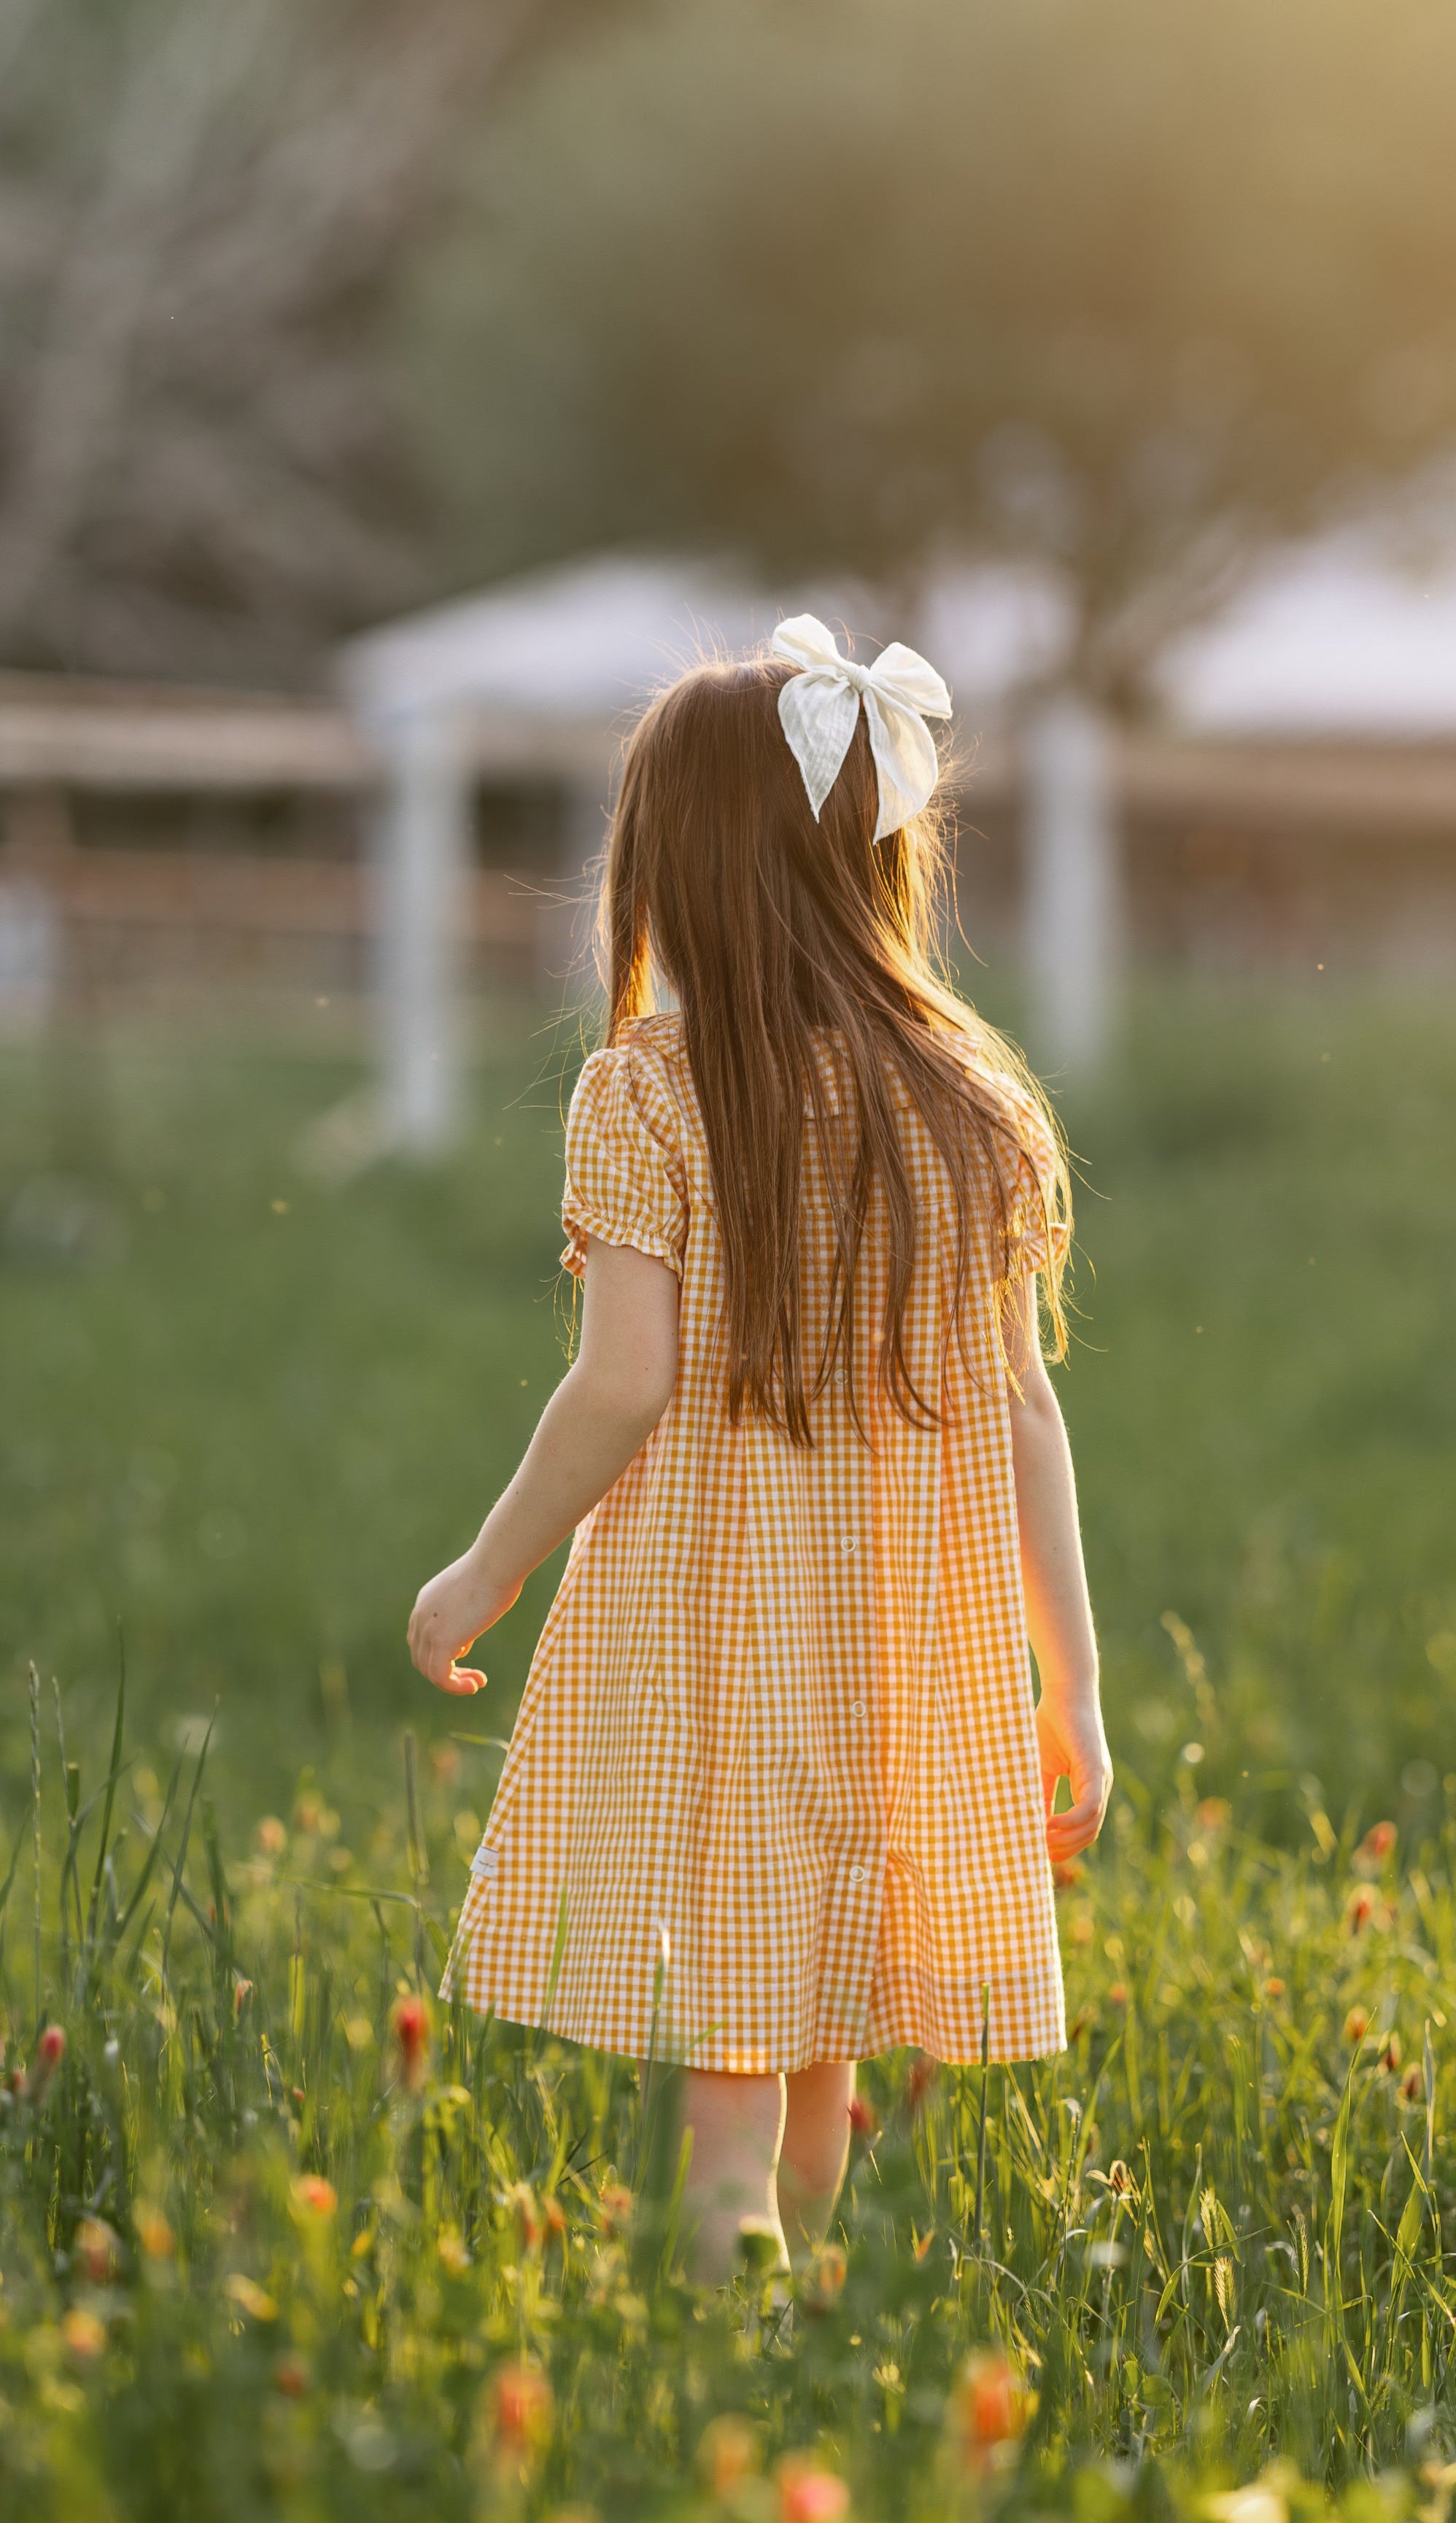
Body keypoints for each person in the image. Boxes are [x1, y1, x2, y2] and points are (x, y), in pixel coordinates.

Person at [406, 617, 1110, 2282]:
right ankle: (810, 2360)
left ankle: (728, 2387)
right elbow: (1024, 1408)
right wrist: (1064, 1683)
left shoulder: (650, 1088)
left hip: (722, 1661)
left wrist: (483, 1565)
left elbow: (621, 1381)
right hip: (900, 1664)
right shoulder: (968, 1093)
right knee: (818, 2076)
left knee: (720, 2105)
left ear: (673, 866)